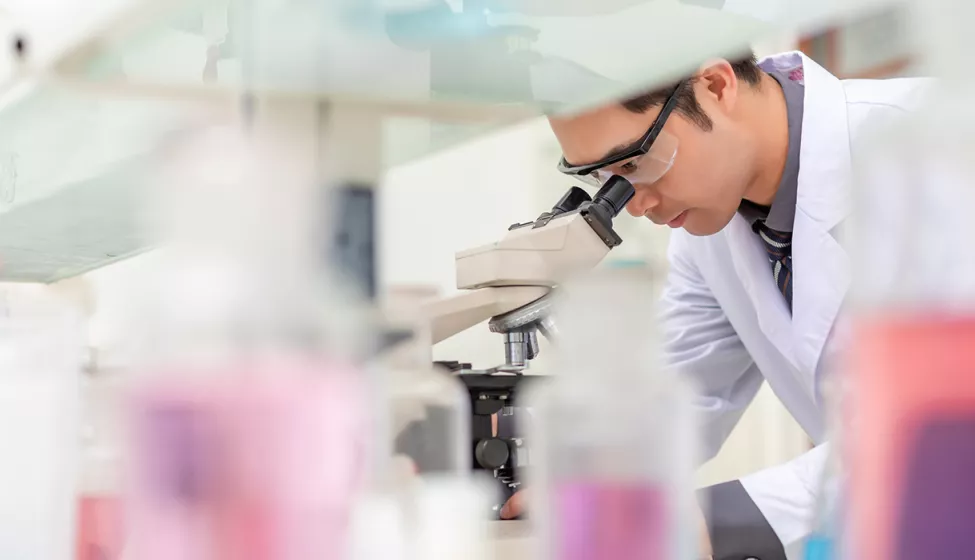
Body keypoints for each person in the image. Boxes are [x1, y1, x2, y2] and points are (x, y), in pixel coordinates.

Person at [500, 50, 931, 559]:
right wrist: (583, 482)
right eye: (607, 179)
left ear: (716, 86)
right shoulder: (711, 228)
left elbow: (940, 431)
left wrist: (705, 521)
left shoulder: (933, 150)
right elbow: (686, 391)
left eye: (635, 163)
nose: (636, 204)